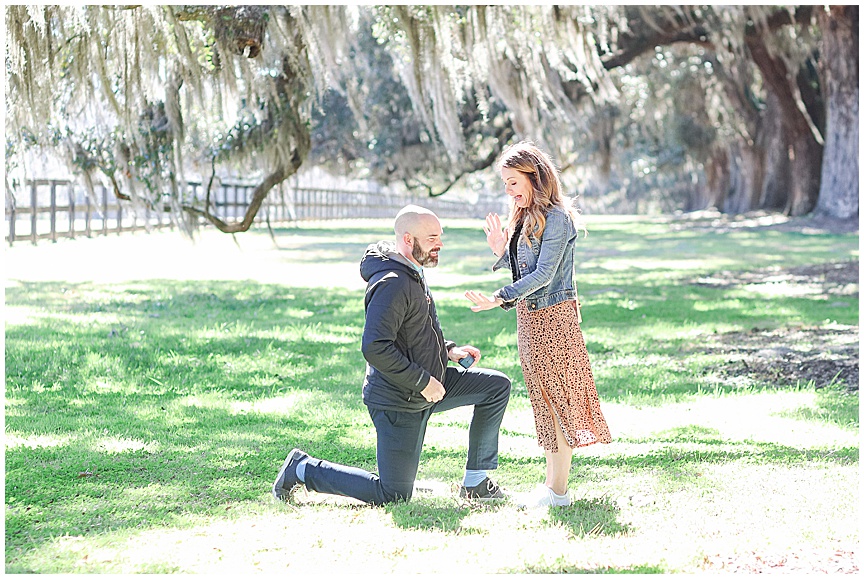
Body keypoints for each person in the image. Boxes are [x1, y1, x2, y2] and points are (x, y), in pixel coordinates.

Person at [272, 205, 512, 506]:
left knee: (495, 387)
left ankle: (476, 481)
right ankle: (302, 468)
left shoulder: (411, 271)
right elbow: (375, 346)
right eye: (432, 238)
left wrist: (448, 349)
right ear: (408, 239)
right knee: (394, 494)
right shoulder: (393, 283)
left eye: (441, 236)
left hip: (428, 386)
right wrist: (424, 382)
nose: (440, 244)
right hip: (399, 400)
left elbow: (415, 329)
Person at [464, 141, 612, 509]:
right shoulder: (526, 218)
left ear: (536, 177)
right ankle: (552, 486)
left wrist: (499, 296)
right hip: (529, 318)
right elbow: (526, 270)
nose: (509, 191)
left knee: (557, 399)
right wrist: (502, 250)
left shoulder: (558, 219)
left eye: (514, 182)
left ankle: (558, 491)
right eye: (505, 184)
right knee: (542, 401)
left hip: (554, 318)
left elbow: (545, 275)